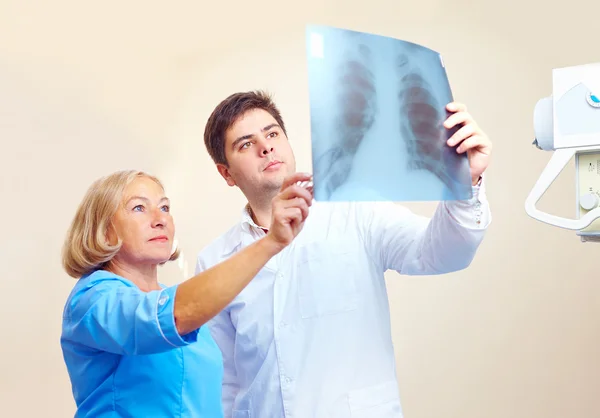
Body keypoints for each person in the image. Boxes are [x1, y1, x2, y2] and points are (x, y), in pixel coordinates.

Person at [196, 90, 493, 418]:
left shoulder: (354, 208)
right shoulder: (214, 261)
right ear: (226, 173)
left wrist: (467, 182)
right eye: (246, 144)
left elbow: (440, 253)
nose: (266, 146)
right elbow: (223, 380)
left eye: (272, 133)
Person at [60, 169, 313, 417]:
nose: (159, 219)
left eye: (165, 207)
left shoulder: (185, 304)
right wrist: (270, 243)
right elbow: (172, 316)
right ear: (103, 230)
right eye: (138, 208)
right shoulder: (92, 299)